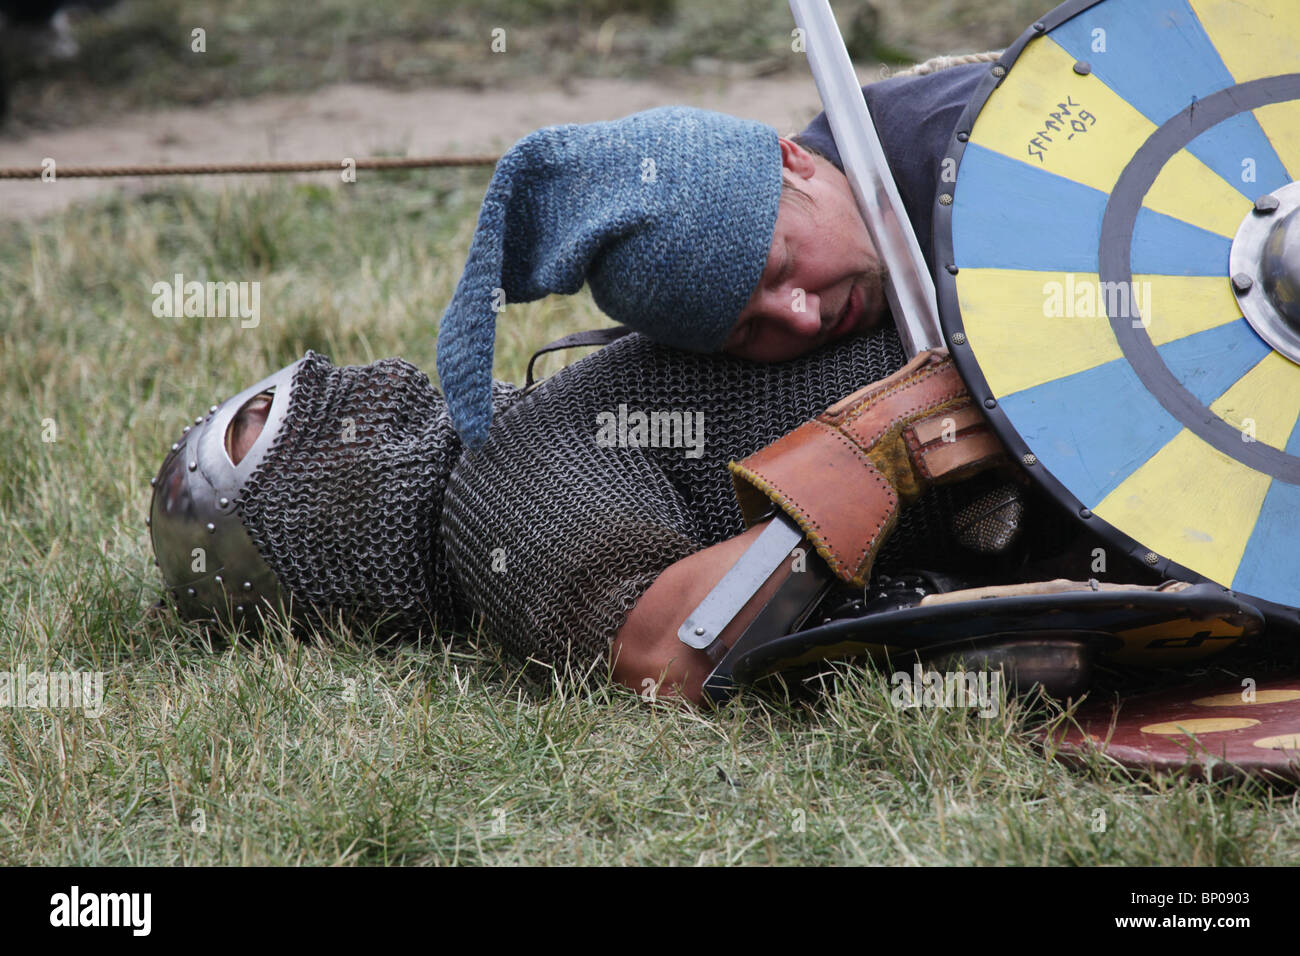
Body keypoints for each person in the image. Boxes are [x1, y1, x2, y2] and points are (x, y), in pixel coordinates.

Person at [149, 60, 1118, 703]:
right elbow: (668, 649)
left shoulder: (875, 152)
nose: (798, 316)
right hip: (1081, 452)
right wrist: (881, 450)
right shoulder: (502, 499)